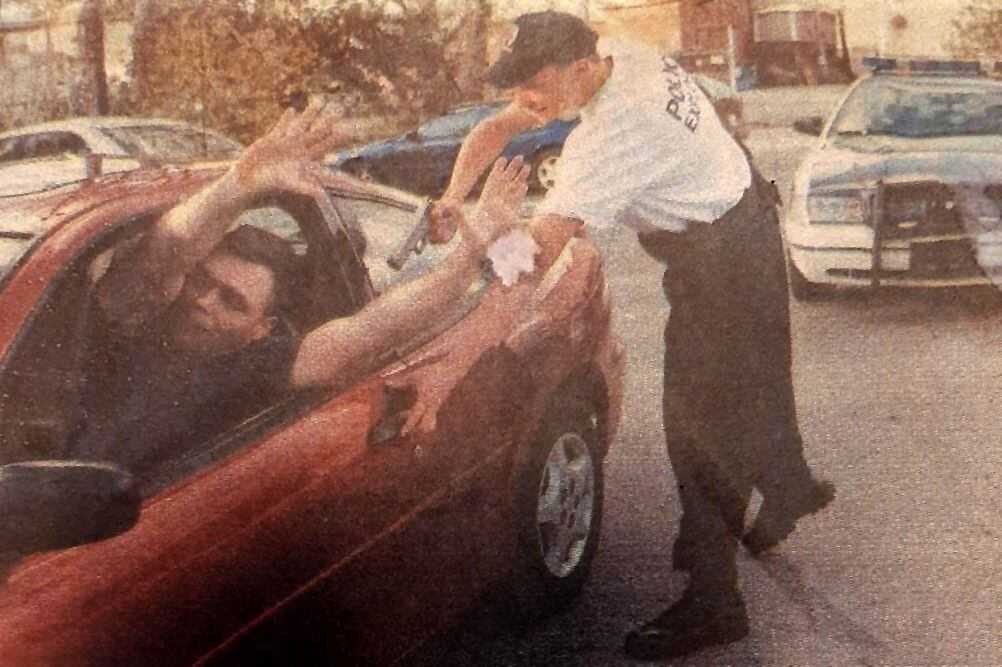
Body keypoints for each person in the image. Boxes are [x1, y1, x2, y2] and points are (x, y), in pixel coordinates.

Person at [430, 10, 834, 659]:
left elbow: (538, 253)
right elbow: (503, 126)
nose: (523, 100)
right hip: (744, 215)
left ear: (581, 69)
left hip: (722, 254)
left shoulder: (612, 134)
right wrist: (455, 193)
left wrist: (478, 236)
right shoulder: (616, 54)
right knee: (755, 384)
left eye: (533, 82)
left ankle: (715, 602)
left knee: (696, 427)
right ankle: (785, 491)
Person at [72, 102, 529, 478]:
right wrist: (236, 186)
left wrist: (467, 257)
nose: (202, 301)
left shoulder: (252, 365)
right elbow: (163, 255)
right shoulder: (132, 325)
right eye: (203, 280)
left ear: (261, 328)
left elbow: (368, 332)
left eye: (232, 301)